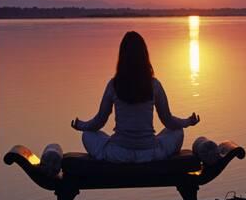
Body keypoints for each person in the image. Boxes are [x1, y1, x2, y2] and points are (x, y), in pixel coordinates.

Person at [71, 31, 200, 163]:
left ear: (122, 57)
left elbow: (99, 121)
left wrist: (83, 126)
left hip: (118, 154)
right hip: (150, 153)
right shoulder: (154, 85)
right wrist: (187, 122)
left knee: (88, 134)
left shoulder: (114, 84)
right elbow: (168, 121)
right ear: (144, 56)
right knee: (178, 131)